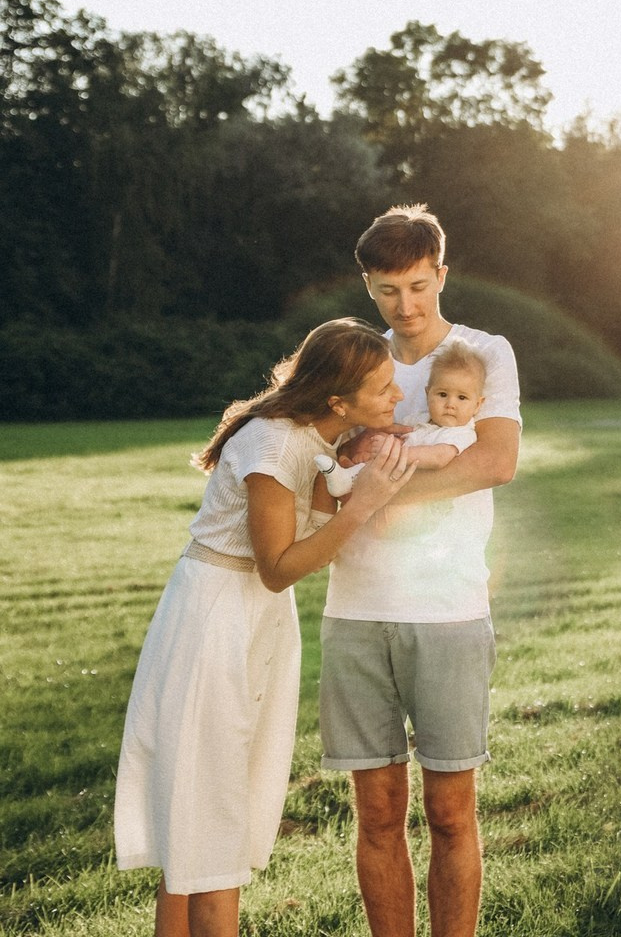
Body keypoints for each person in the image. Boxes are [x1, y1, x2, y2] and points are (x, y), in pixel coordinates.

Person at [114, 318, 418, 937]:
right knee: (210, 814)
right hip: (215, 621)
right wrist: (362, 505)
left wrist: (356, 461)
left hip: (253, 621)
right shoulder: (275, 444)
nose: (397, 396)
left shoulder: (314, 439)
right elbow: (278, 567)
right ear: (338, 399)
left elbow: (312, 532)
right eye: (384, 388)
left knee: (207, 815)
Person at [320, 205, 521, 937]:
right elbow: (323, 462)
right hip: (356, 612)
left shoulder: (483, 353)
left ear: (441, 274)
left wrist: (383, 494)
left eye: (416, 286)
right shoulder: (351, 357)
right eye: (385, 290)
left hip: (448, 609)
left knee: (448, 811)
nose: (403, 307)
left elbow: (495, 461)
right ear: (367, 286)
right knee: (375, 815)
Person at [316, 341, 487, 503]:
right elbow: (398, 437)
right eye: (442, 394)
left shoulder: (462, 433)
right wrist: (376, 448)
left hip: (424, 501)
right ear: (428, 394)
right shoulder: (419, 419)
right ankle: (349, 477)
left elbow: (438, 458)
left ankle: (347, 481)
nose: (450, 404)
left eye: (462, 398)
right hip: (397, 482)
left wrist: (392, 452)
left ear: (477, 405)